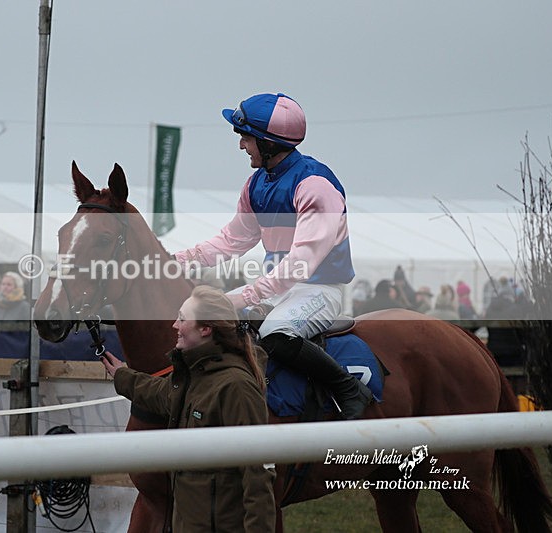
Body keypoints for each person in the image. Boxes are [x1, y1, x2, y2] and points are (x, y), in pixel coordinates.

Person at [173, 92, 371, 420]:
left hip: (318, 290)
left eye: (246, 138)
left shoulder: (314, 185)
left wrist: (243, 296)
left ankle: (347, 387)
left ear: (267, 143)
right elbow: (230, 241)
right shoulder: (256, 184)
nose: (241, 146)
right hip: (279, 290)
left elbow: (300, 262)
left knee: (275, 333)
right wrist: (176, 260)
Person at [100, 285, 276, 532]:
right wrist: (122, 375)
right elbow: (161, 394)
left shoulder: (236, 387)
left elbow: (258, 475)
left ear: (205, 329)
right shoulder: (196, 375)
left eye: (182, 318)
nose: (174, 325)